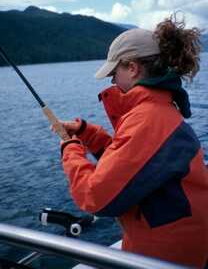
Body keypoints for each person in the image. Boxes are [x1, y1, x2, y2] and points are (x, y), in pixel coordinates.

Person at [55, 15, 208, 268]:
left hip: (163, 256)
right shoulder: (159, 109)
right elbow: (132, 166)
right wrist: (86, 133)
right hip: (181, 243)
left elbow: (95, 197)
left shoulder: (148, 119)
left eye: (114, 72)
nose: (112, 80)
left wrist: (70, 149)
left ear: (133, 68)